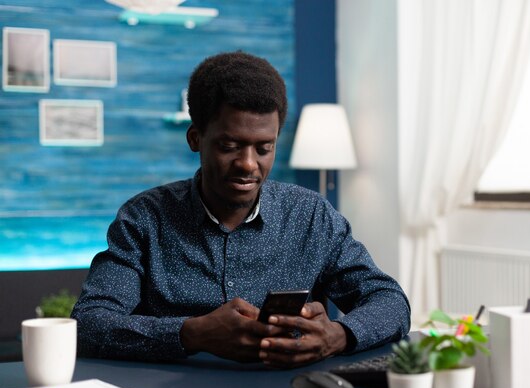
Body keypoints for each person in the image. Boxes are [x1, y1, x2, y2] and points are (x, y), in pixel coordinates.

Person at [71, 51, 410, 368]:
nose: (248, 165)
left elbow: (391, 302)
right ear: (195, 138)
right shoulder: (144, 218)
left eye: (264, 148)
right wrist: (192, 333)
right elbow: (88, 323)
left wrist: (338, 336)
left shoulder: (311, 217)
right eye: (229, 146)